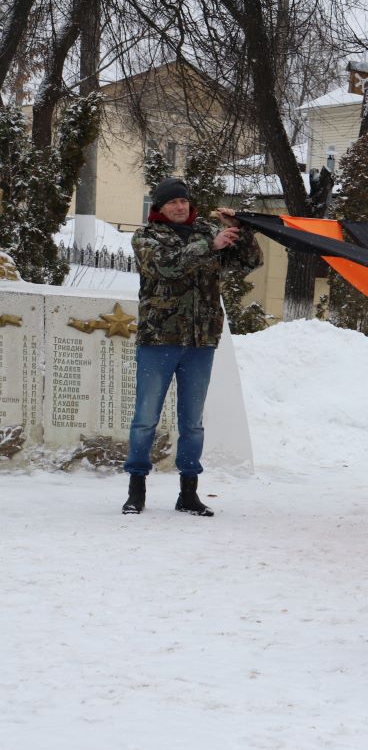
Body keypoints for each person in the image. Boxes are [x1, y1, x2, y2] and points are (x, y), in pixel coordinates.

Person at [121, 177, 262, 516]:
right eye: (172, 202)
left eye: (183, 201)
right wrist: (210, 246)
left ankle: (188, 492)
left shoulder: (206, 231)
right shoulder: (146, 237)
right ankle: (136, 489)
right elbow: (166, 267)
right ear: (159, 207)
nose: (180, 207)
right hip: (159, 339)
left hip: (200, 341)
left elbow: (249, 263)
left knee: (193, 422)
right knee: (145, 419)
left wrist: (241, 231)